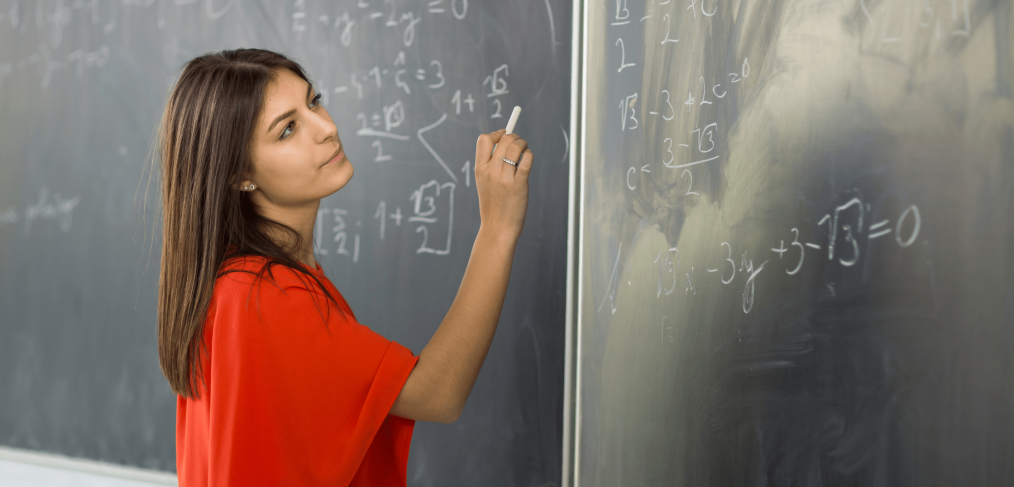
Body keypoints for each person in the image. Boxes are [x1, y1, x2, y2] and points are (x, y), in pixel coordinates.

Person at [155, 48, 533, 486]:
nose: (328, 128)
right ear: (239, 174)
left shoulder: (237, 284)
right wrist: (498, 229)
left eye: (314, 102)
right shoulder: (265, 296)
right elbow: (437, 393)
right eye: (288, 130)